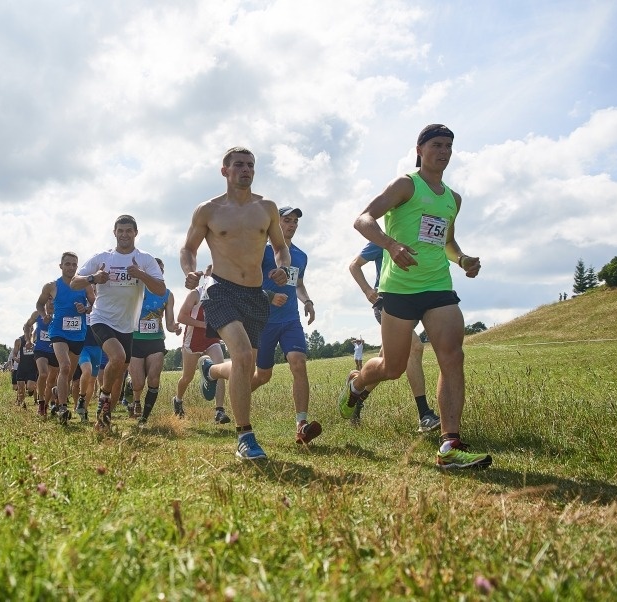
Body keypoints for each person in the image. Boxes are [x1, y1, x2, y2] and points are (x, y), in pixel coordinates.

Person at [339, 124, 491, 469]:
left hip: (438, 286)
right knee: (393, 367)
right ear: (420, 149)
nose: (445, 151)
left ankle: (449, 444)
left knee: (452, 356)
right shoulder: (406, 184)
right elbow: (363, 219)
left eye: (449, 146)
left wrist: (463, 259)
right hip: (400, 290)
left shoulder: (453, 199)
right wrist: (390, 244)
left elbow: (447, 243)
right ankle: (357, 384)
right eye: (437, 145)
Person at [180, 147, 291, 460]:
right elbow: (187, 249)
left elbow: (281, 248)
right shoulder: (209, 210)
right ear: (224, 170)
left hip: (254, 294)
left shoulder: (267, 207)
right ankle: (245, 436)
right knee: (242, 355)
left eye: (251, 165)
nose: (246, 170)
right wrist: (190, 272)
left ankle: (212, 370)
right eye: (239, 165)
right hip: (220, 290)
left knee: (248, 366)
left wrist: (282, 267)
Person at [72, 215, 166, 433]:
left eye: (129, 231)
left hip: (127, 324)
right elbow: (75, 281)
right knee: (118, 357)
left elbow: (161, 289)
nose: (124, 235)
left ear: (136, 233)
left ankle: (104, 416)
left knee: (119, 375)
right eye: (120, 231)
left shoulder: (145, 259)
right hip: (101, 318)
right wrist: (94, 278)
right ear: (114, 233)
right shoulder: (103, 257)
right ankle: (102, 401)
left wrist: (140, 275)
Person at [348, 241, 442, 432]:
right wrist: (367, 290)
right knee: (414, 347)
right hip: (388, 303)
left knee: (384, 363)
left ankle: (356, 396)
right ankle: (424, 414)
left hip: (414, 301)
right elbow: (354, 265)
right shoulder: (382, 238)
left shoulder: (422, 236)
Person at [249, 206, 322, 445]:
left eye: (294, 222)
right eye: (287, 220)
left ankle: (301, 424)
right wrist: (269, 295)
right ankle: (236, 398)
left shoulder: (300, 255)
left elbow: (298, 283)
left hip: (290, 320)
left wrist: (308, 301)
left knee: (298, 363)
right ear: (276, 223)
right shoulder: (262, 250)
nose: (291, 225)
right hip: (263, 321)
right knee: (262, 376)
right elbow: (248, 283)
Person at [35, 252, 95, 424]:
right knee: (65, 367)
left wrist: (85, 308)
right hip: (58, 333)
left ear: (77, 266)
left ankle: (56, 394)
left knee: (67, 376)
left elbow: (94, 303)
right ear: (60, 266)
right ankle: (62, 408)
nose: (70, 267)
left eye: (74, 264)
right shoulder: (52, 286)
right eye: (67, 264)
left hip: (78, 333)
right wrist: (44, 314)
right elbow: (39, 303)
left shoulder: (84, 285)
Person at [128, 259, 181, 426]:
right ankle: (131, 389)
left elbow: (170, 323)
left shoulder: (167, 294)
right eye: (155, 269)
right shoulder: (136, 289)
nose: (159, 272)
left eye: (161, 270)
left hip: (156, 341)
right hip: (135, 340)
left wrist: (175, 328)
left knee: (154, 379)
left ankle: (144, 417)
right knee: (138, 383)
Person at [174, 264, 228, 421]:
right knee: (187, 377)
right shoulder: (195, 294)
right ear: (206, 277)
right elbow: (181, 317)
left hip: (212, 340)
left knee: (220, 367)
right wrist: (205, 325)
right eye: (212, 276)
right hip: (193, 341)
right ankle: (178, 400)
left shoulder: (223, 296)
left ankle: (219, 411)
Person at [13, 330, 37, 408]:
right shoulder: (19, 341)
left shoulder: (35, 339)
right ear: (24, 329)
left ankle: (31, 391)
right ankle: (22, 404)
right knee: (20, 387)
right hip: (22, 366)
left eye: (31, 328)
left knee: (29, 387)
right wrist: (16, 358)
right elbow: (14, 354)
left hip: (32, 367)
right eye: (27, 328)